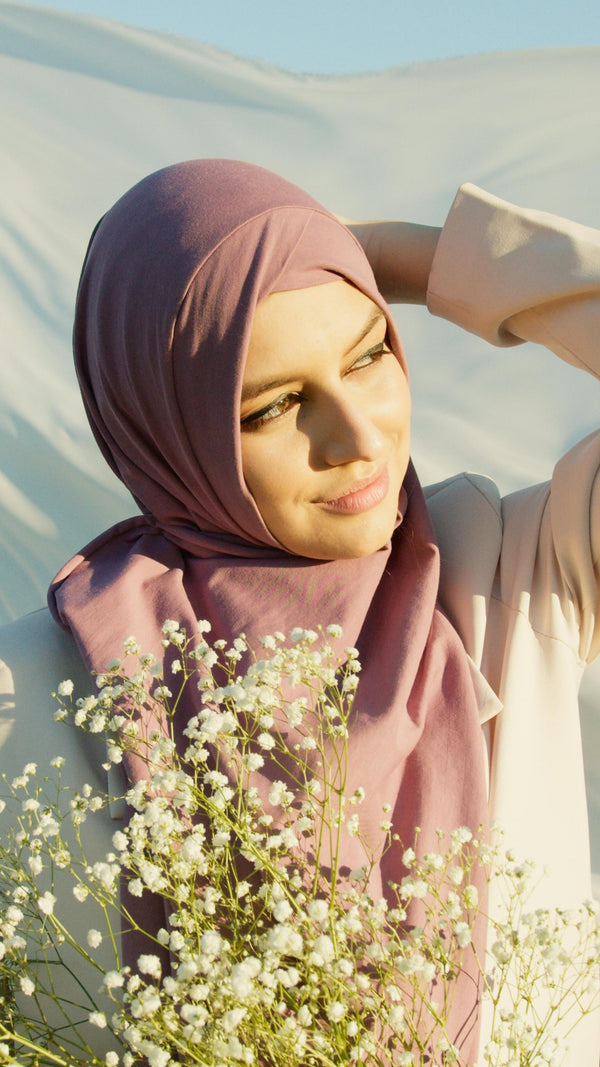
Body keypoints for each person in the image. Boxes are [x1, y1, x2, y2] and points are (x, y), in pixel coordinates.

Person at [2, 159, 599, 1062]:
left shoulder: (517, 572)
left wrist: (423, 263)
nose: (359, 440)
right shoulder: (39, 692)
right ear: (164, 424)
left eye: (369, 354)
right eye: (276, 405)